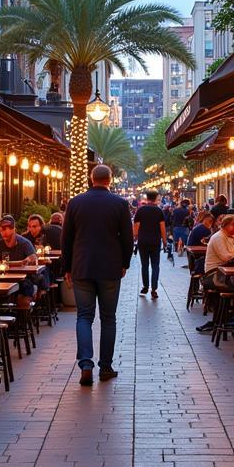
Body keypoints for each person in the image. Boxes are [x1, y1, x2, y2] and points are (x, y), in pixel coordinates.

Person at [61, 164, 133, 386]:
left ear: (91, 179)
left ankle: (85, 364)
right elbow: (127, 239)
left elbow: (67, 239)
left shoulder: (75, 203)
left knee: (84, 316)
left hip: (82, 266)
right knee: (108, 318)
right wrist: (125, 263)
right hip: (110, 268)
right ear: (109, 180)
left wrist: (67, 267)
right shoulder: (120, 204)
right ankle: (106, 366)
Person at [0, 215, 39, 305]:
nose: (2, 232)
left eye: (5, 228)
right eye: (1, 229)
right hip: (3, 280)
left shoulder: (24, 243)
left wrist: (29, 260)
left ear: (13, 229)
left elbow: (34, 258)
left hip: (23, 280)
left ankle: (22, 317)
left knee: (23, 296)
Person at [133, 190, 166, 298]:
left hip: (143, 242)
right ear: (156, 198)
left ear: (147, 198)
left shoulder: (140, 210)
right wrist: (165, 241)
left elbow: (136, 227)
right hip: (155, 242)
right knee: (155, 265)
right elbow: (162, 228)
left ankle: (145, 286)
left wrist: (135, 238)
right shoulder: (159, 211)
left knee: (145, 265)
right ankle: (154, 289)